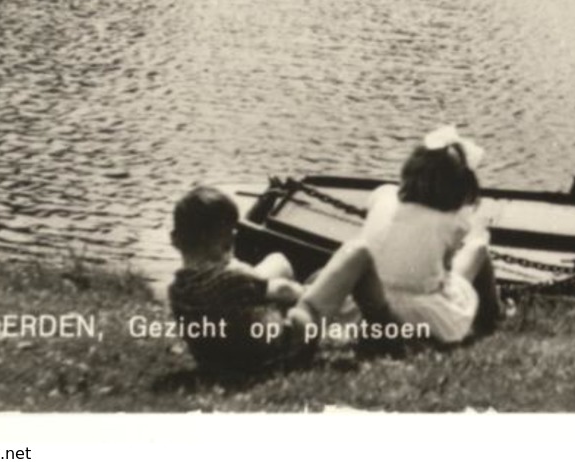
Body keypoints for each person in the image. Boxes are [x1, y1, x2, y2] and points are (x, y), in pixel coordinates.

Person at [297, 126, 502, 346]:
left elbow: (376, 215)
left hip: (368, 298)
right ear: (460, 188)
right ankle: (494, 312)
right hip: (421, 314)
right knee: (478, 247)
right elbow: (445, 270)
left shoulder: (383, 195)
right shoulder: (455, 222)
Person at [167, 185, 315, 372]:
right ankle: (361, 332)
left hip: (219, 357)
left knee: (278, 261)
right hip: (275, 353)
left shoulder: (177, 289)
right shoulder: (232, 279)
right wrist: (308, 290)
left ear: (176, 239)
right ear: (224, 241)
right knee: (355, 254)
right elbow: (284, 291)